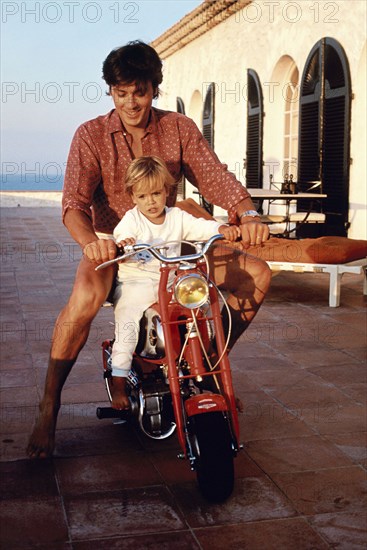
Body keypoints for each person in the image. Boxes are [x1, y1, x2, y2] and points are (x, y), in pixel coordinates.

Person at [27, 40, 271, 458]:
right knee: (84, 301)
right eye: (121, 93)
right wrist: (91, 244)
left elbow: (213, 175)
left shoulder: (178, 127)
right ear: (110, 92)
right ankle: (49, 406)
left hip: (173, 236)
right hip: (113, 244)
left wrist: (246, 213)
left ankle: (207, 364)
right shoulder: (90, 135)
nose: (130, 102)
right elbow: (73, 205)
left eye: (139, 91)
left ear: (154, 88)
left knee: (259, 274)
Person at [109, 155, 241, 410]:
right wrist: (125, 243)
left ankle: (206, 363)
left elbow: (202, 227)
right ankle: (119, 384)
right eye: (143, 196)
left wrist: (221, 230)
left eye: (156, 194)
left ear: (167, 191)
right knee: (127, 325)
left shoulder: (177, 217)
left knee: (204, 308)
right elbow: (122, 234)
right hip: (137, 283)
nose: (151, 202)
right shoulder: (132, 220)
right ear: (133, 197)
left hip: (170, 281)